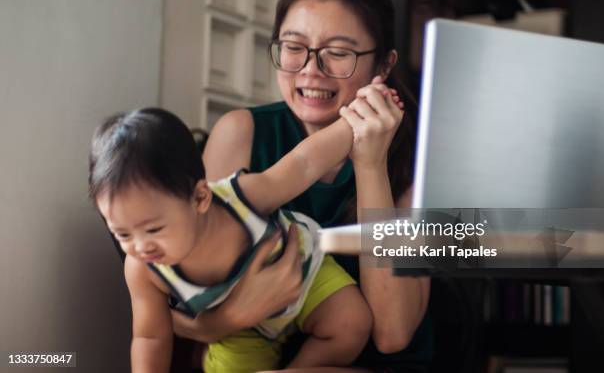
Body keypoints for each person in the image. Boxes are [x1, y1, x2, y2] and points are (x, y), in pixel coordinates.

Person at [173, 0, 433, 371]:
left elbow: (392, 333)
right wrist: (225, 321)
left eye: (339, 52)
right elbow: (167, 299)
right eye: (294, 47)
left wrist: (370, 163)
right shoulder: (241, 133)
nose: (311, 70)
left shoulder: (418, 160)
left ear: (382, 66)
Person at [88, 103, 401, 372]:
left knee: (352, 325)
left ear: (199, 198)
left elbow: (303, 163)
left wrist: (354, 123)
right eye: (122, 234)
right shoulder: (141, 269)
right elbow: (150, 337)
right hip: (240, 332)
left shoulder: (238, 198)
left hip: (305, 274)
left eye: (154, 229)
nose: (141, 246)